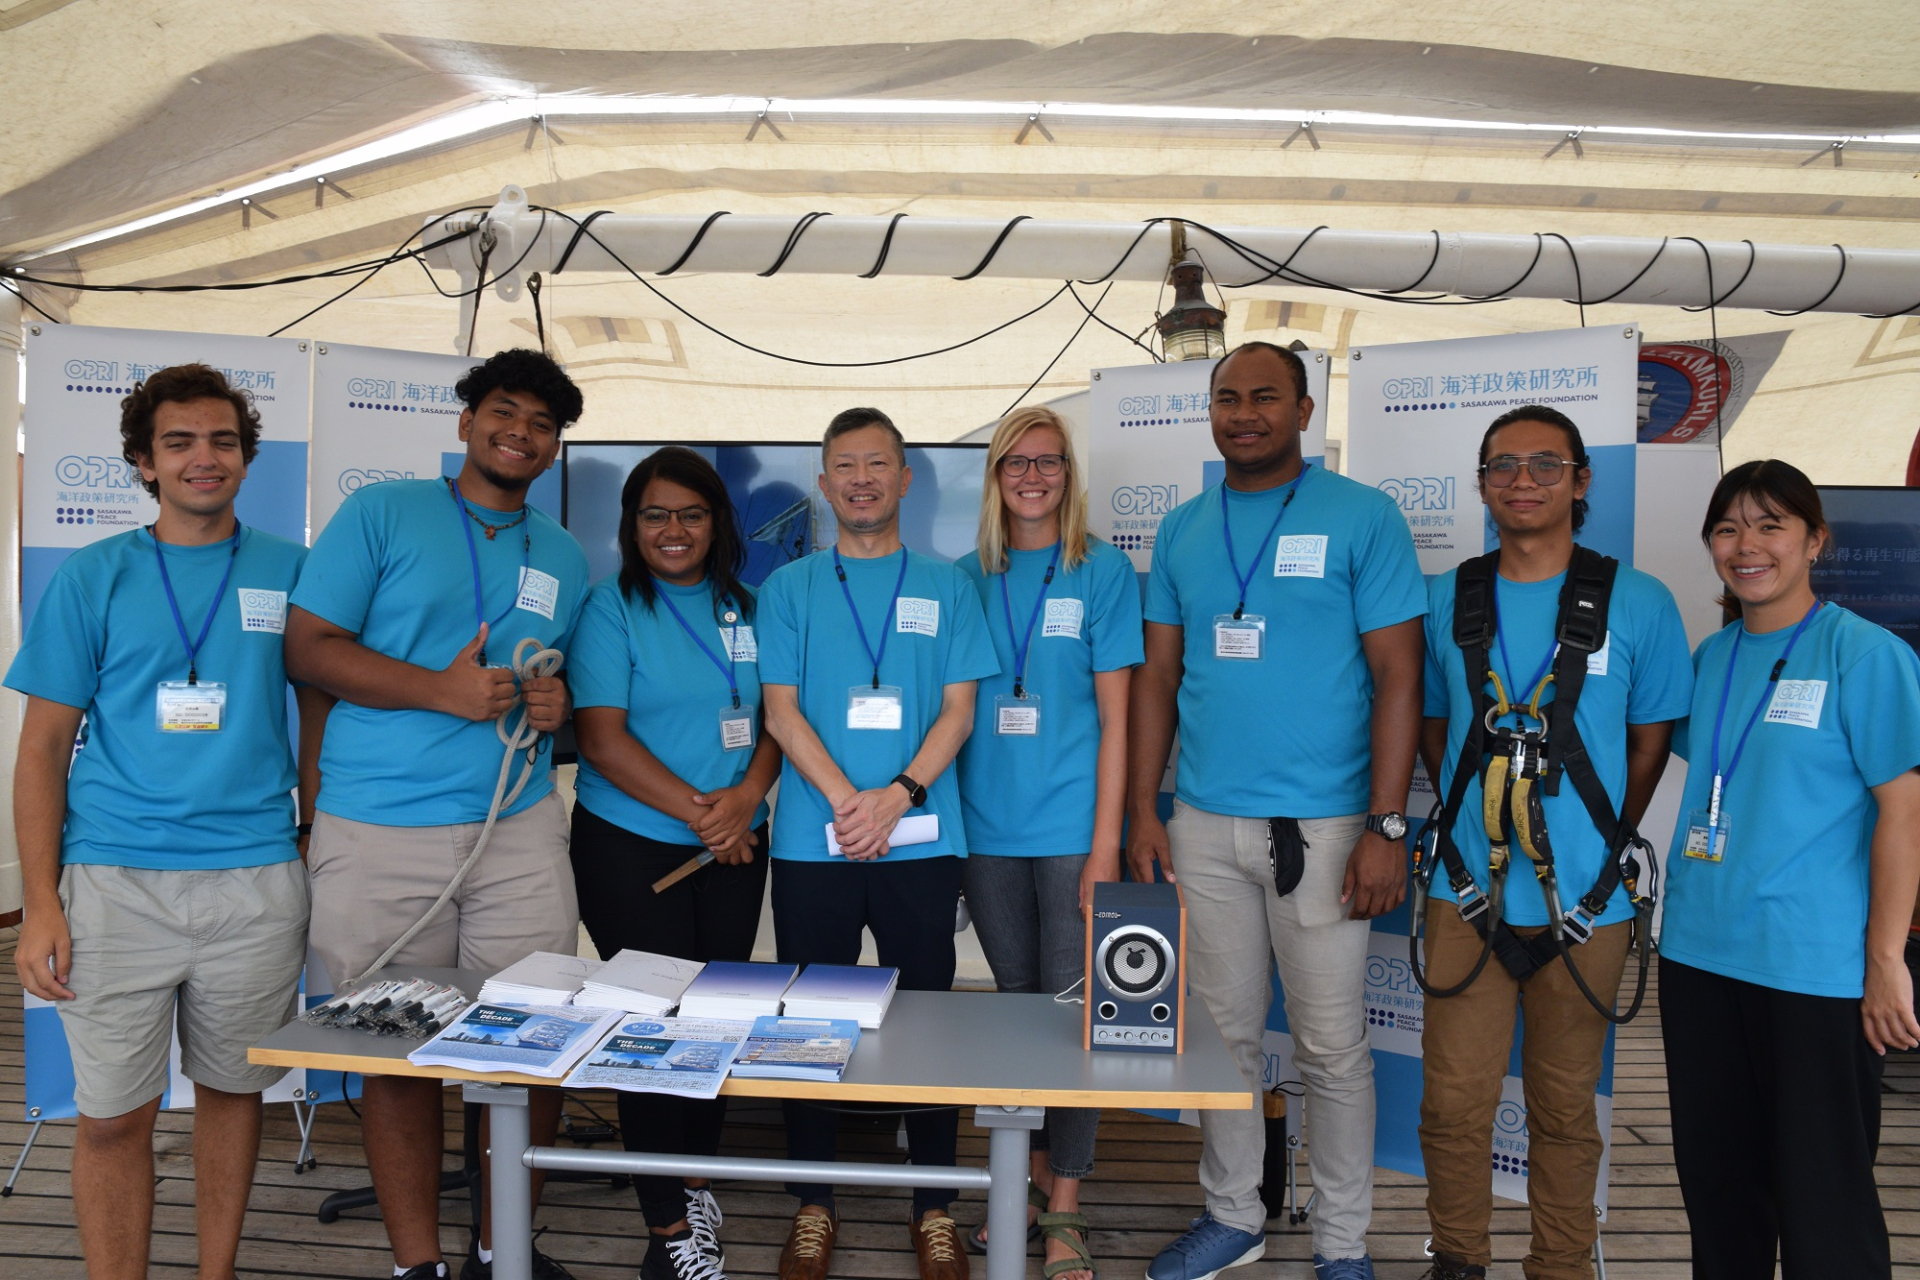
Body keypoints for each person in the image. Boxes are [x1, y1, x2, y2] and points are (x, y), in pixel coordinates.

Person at [9, 364, 325, 1280]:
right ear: (143, 464)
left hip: (258, 880)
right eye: (178, 443)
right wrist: (41, 903)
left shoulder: (292, 571)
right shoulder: (93, 576)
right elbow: (40, 752)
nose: (203, 458)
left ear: (246, 455)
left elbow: (316, 711)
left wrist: (312, 839)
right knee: (110, 1117)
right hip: (114, 882)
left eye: (223, 440)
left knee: (235, 1094)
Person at [285, 348, 591, 1280]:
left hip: (519, 826)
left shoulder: (566, 554)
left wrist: (556, 704)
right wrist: (439, 692)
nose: (521, 434)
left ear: (553, 448)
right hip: (379, 828)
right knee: (392, 1046)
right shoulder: (382, 512)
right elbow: (308, 650)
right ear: (465, 422)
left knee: (532, 1043)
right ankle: (418, 1266)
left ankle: (504, 1255)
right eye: (505, 413)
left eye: (542, 425)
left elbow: (551, 676)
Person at [1129, 342, 1426, 1280]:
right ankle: (1234, 1216)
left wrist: (1385, 825)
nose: (1244, 412)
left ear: (1305, 411)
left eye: (1265, 396)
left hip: (1330, 829)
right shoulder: (1181, 530)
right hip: (1205, 824)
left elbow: (1398, 674)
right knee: (1222, 1038)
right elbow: (1160, 680)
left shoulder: (1362, 518)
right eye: (1227, 398)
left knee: (1333, 1048)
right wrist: (1146, 807)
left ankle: (1342, 1244)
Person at [1413, 407, 1692, 1280]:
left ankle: (1562, 1267)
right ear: (1483, 483)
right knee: (1453, 1105)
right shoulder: (1451, 597)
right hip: (1469, 898)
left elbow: (1650, 740)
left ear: (1581, 479)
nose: (1523, 480)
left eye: (1545, 463)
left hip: (1588, 903)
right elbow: (1432, 725)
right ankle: (1458, 1258)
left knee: (1565, 1108)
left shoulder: (1638, 601)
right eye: (1503, 465)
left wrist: (1600, 844)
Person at [1659, 459, 1920, 1279]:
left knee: (1823, 1198)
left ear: (1816, 540)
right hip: (1698, 958)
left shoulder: (1864, 655)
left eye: (1771, 524)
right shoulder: (1711, 656)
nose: (1748, 545)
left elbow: (1904, 814)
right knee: (1720, 1196)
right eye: (1729, 527)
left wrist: (1886, 962)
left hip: (1815, 970)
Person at [756, 408, 998, 1280]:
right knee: (806, 1025)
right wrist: (847, 803)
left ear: (904, 480)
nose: (861, 480)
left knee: (927, 1018)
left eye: (878, 465)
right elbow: (781, 711)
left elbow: (960, 711)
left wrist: (897, 796)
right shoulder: (787, 590)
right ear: (824, 485)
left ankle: (932, 1204)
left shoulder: (947, 585)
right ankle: (813, 1203)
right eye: (843, 466)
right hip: (815, 841)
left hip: (923, 838)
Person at [568, 447, 783, 1280]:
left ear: (718, 523)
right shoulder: (609, 609)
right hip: (632, 847)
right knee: (649, 1032)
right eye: (655, 514)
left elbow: (777, 720)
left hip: (735, 844)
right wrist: (707, 814)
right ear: (631, 525)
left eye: (690, 514)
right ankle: (666, 1234)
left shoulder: (754, 607)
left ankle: (695, 1190)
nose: (673, 530)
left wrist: (747, 802)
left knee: (716, 1025)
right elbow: (602, 739)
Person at [955, 406, 1143, 1280]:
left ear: (1070, 474)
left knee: (1075, 1019)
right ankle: (1024, 1182)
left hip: (1074, 832)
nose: (1033, 477)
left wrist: (1106, 846)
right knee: (1015, 1007)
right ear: (994, 477)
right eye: (1015, 463)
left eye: (1049, 462)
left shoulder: (1100, 572)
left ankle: (1064, 1202)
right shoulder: (963, 577)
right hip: (985, 834)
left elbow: (1119, 719)